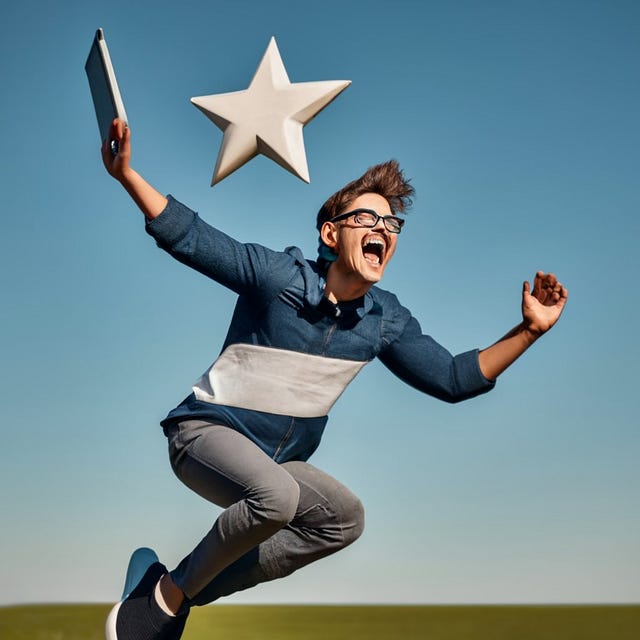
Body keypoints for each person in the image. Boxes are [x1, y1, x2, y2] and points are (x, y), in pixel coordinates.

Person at [101, 118, 568, 640]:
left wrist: (528, 331)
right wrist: (126, 175)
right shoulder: (278, 277)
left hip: (274, 468)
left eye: (392, 226)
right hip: (202, 437)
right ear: (331, 233)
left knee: (343, 517)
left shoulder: (383, 320)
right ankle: (163, 601)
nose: (383, 231)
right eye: (369, 218)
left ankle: (168, 591)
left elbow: (454, 378)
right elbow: (191, 236)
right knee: (276, 498)